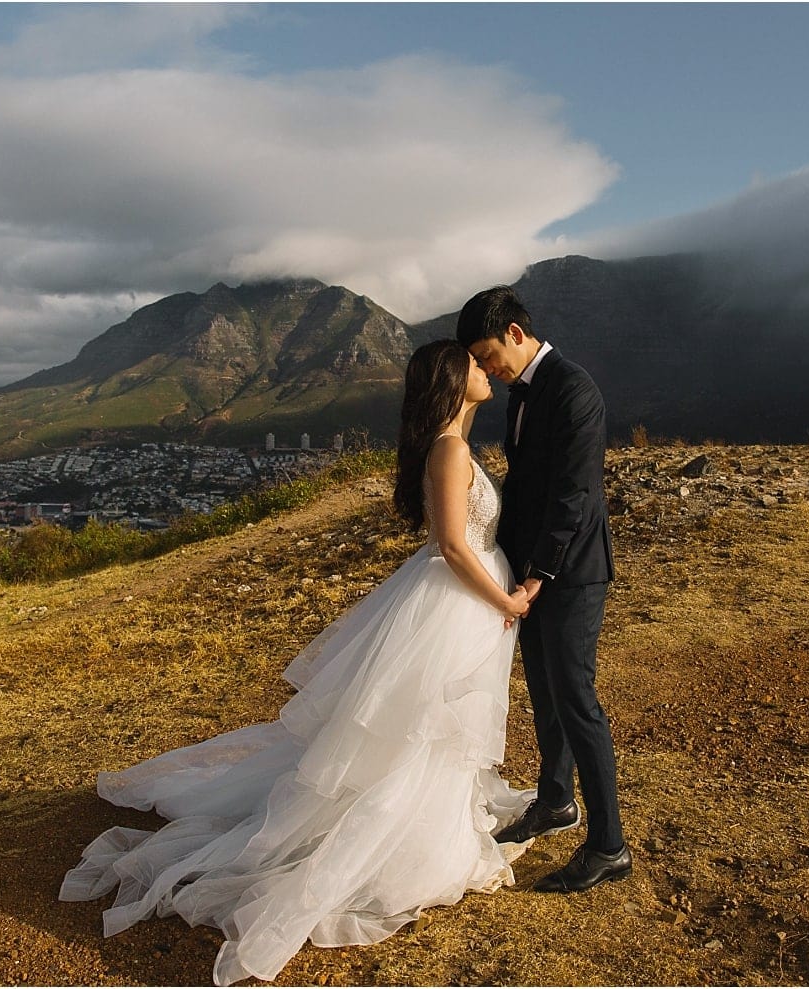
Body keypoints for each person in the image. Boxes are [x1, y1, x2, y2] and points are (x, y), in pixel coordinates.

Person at [60, 339, 534, 986]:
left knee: (433, 732)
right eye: (474, 366)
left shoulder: (456, 446)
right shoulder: (451, 451)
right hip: (455, 600)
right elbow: (453, 545)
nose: (486, 370)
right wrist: (504, 596)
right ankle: (411, 848)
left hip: (459, 605)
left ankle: (437, 832)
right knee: (422, 732)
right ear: (453, 381)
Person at [456, 285, 631, 893]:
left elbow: (574, 496)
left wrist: (538, 574)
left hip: (572, 570)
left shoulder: (574, 389)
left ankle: (609, 845)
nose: (484, 370)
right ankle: (556, 801)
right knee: (544, 691)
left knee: (576, 697)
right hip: (529, 567)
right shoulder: (522, 392)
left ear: (513, 333)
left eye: (485, 356)